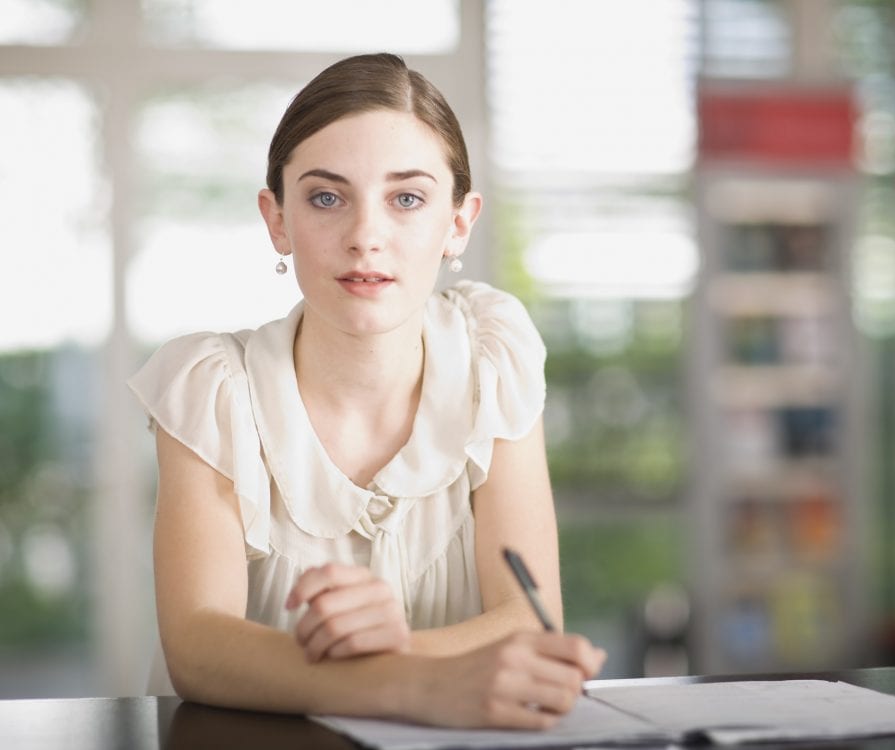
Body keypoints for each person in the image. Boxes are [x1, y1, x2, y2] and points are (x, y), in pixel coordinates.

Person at [128, 52, 606, 729]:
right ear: (278, 219)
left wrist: (395, 650)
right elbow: (199, 648)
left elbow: (530, 616)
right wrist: (415, 683)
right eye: (327, 197)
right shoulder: (212, 387)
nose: (365, 237)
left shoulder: (492, 357)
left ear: (459, 222)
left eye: (406, 198)